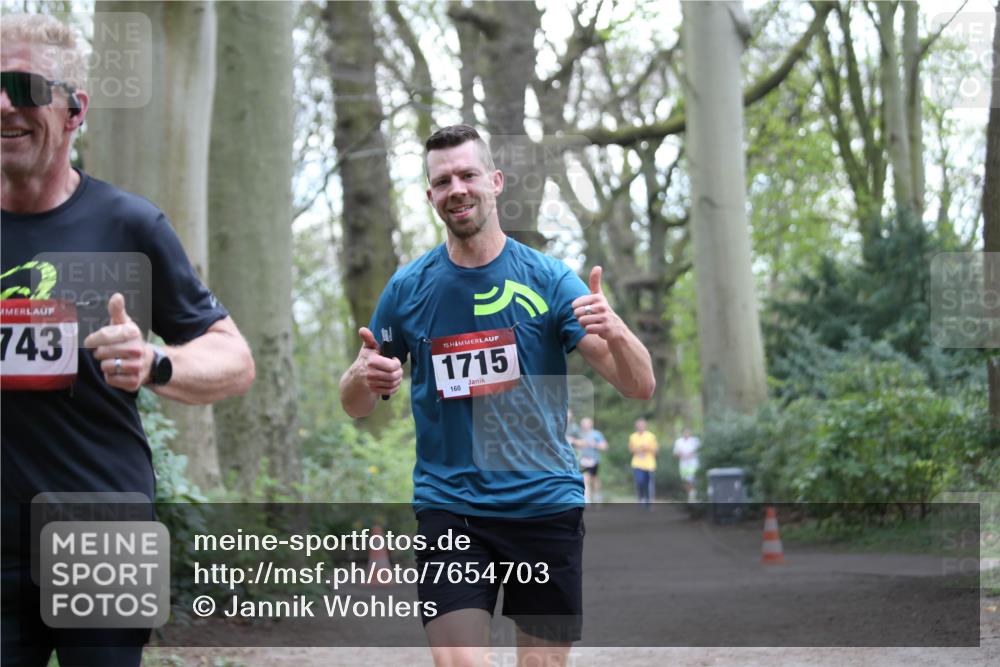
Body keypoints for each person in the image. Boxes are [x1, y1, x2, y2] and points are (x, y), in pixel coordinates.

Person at [340, 124, 655, 666]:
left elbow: (639, 385)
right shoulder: (407, 289)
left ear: (495, 181)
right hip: (451, 507)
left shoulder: (550, 281)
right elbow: (356, 402)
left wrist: (618, 329)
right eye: (443, 181)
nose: (456, 188)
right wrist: (364, 376)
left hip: (543, 504)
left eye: (467, 174)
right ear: (430, 196)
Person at [1, 15, 255, 667]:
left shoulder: (127, 225)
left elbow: (233, 358)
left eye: (24, 87)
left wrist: (154, 361)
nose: (4, 104)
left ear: (75, 109)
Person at [574, 417, 607, 504]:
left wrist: (594, 444)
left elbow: (604, 446)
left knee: (594, 479)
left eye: (586, 423)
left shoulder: (596, 434)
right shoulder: (579, 434)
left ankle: (597, 495)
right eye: (583, 423)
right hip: (582, 461)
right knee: (585, 479)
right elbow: (575, 445)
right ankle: (587, 499)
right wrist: (577, 443)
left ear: (591, 424)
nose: (585, 425)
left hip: (594, 461)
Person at [628, 418, 659, 507]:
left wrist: (647, 448)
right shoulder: (632, 436)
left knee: (649, 484)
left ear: (645, 426)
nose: (640, 427)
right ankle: (641, 497)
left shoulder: (651, 436)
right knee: (640, 482)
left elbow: (656, 450)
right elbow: (631, 449)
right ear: (636, 426)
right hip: (637, 464)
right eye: (639, 425)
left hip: (649, 464)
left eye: (642, 425)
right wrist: (637, 449)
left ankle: (649, 502)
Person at [673, 427, 701, 502]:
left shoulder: (695, 441)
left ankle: (692, 496)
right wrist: (680, 454)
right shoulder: (678, 442)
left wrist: (690, 455)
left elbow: (698, 452)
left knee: (692, 479)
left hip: (693, 463)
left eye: (688, 432)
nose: (686, 434)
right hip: (683, 464)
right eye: (685, 432)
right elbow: (675, 454)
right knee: (685, 480)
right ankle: (690, 494)